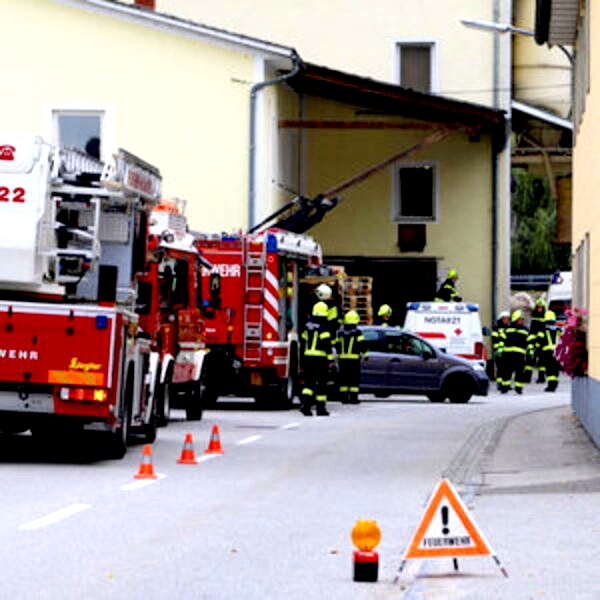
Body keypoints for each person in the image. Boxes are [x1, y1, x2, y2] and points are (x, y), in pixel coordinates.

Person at [300, 301, 334, 416]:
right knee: (321, 384)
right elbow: (326, 345)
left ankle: (305, 406)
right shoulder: (324, 327)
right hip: (320, 359)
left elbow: (303, 343)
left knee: (308, 383)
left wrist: (302, 359)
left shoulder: (306, 325)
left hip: (308, 358)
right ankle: (320, 409)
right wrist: (330, 360)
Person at [334, 310, 368, 404]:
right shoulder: (357, 332)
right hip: (354, 360)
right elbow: (362, 345)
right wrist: (365, 355)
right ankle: (353, 399)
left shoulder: (340, 333)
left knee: (343, 379)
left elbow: (336, 345)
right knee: (354, 380)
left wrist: (339, 355)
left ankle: (344, 398)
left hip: (343, 360)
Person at [497, 309, 529, 394]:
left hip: (520, 355)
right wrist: (500, 350)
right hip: (508, 355)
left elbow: (529, 341)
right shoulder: (508, 329)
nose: (522, 321)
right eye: (520, 319)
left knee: (519, 372)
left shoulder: (525, 330)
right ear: (515, 319)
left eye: (522, 320)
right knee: (507, 371)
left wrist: (531, 350)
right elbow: (502, 340)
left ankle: (519, 388)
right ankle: (505, 387)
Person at [523, 297, 547, 384]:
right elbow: (532, 331)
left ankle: (541, 378)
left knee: (542, 361)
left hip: (542, 343)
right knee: (530, 360)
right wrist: (530, 343)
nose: (540, 309)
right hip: (533, 342)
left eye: (541, 307)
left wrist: (537, 342)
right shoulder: (534, 317)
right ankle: (527, 377)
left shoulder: (544, 317)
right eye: (538, 307)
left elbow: (542, 331)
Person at [537, 310, 561, 392]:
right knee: (555, 368)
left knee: (549, 369)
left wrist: (537, 351)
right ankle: (555, 383)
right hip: (557, 352)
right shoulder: (559, 329)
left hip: (547, 352)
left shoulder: (543, 329)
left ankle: (551, 386)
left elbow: (539, 342)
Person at [492, 311, 511, 390]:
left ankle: (506, 384)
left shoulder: (510, 328)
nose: (507, 320)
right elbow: (494, 339)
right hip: (499, 351)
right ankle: (499, 384)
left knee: (508, 368)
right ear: (501, 319)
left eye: (508, 319)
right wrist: (497, 350)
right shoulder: (496, 328)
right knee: (500, 368)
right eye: (505, 319)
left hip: (508, 351)